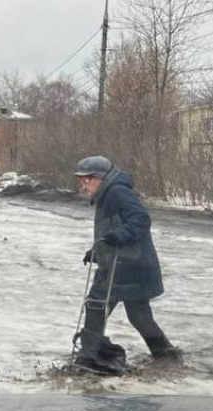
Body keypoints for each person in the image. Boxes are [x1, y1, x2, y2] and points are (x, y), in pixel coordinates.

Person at [73, 156, 181, 375]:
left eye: (87, 179)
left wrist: (117, 237)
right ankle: (166, 356)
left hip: (125, 267)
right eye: (82, 180)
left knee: (95, 305)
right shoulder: (108, 192)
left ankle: (89, 360)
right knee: (139, 316)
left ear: (100, 178)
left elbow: (141, 220)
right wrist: (97, 251)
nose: (83, 184)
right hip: (130, 265)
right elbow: (113, 229)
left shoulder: (116, 192)